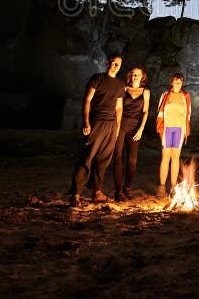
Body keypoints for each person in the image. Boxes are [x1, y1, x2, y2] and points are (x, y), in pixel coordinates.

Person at [69, 55, 124, 206]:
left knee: (104, 159)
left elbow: (119, 108)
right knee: (87, 157)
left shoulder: (120, 84)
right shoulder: (97, 79)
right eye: (113, 63)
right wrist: (86, 121)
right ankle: (76, 194)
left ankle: (97, 192)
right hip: (97, 122)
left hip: (111, 125)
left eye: (118, 64)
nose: (115, 65)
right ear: (108, 64)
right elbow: (87, 100)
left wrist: (117, 128)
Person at [113, 66, 150, 202]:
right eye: (133, 74)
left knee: (132, 160)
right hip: (121, 124)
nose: (135, 76)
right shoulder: (124, 89)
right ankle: (118, 191)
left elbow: (145, 112)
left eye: (137, 74)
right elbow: (119, 108)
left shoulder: (145, 92)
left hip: (135, 126)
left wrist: (141, 129)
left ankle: (127, 187)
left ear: (142, 76)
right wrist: (116, 128)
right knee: (117, 157)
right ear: (130, 76)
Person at [155, 72, 191, 197]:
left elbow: (188, 114)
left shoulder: (185, 96)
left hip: (179, 129)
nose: (177, 84)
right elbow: (159, 112)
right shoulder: (165, 95)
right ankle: (161, 186)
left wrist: (186, 129)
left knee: (176, 157)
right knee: (166, 156)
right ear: (171, 82)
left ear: (182, 83)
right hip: (167, 128)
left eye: (180, 82)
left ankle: (174, 186)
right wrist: (160, 129)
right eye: (175, 82)